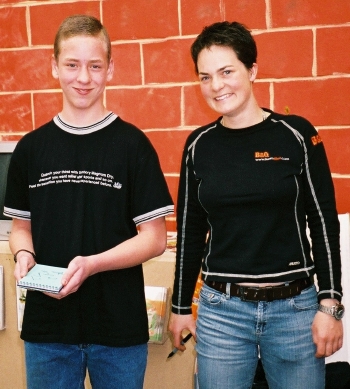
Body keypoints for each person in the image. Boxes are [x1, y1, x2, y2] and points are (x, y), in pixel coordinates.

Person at [169, 21, 344, 389]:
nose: (216, 86)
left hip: (294, 310)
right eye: (205, 77)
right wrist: (181, 308)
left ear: (252, 70)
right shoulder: (198, 145)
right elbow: (190, 230)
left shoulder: (297, 134)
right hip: (222, 313)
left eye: (226, 71)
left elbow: (323, 222)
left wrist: (330, 304)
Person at [4, 15, 174, 389]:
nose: (84, 78)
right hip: (47, 331)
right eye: (72, 65)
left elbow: (155, 238)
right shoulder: (31, 149)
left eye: (95, 66)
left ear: (110, 69)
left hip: (118, 332)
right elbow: (20, 228)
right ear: (54, 67)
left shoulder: (133, 146)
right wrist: (23, 256)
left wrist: (92, 265)